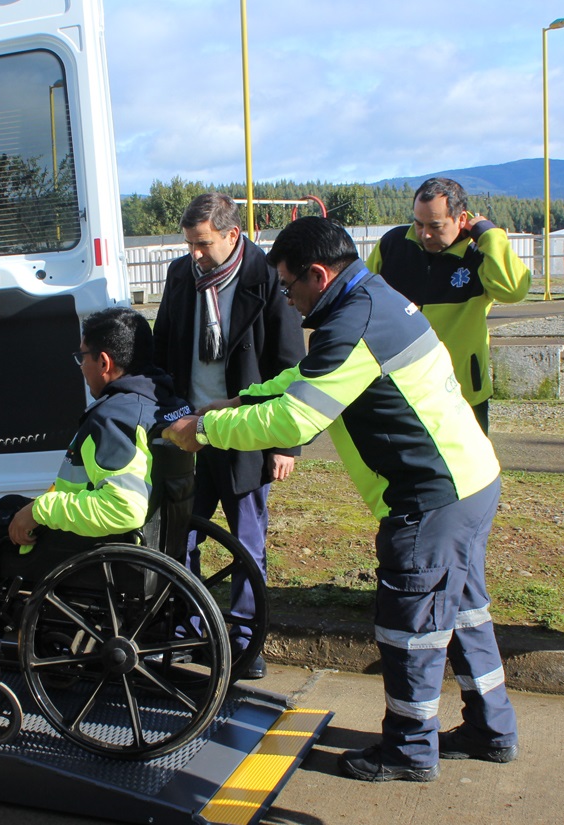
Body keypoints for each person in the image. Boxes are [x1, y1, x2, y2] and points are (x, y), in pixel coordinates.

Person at [165, 216, 518, 782]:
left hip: (429, 500)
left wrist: (205, 431)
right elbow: (306, 378)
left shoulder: (355, 322)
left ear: (319, 275)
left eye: (288, 285)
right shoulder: (370, 300)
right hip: (469, 482)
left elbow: (298, 418)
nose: (286, 298)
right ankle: (491, 727)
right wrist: (234, 402)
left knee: (411, 630)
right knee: (464, 613)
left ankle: (408, 751)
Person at [0, 307, 191, 681]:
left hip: (93, 550)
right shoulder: (167, 403)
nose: (81, 367)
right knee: (7, 506)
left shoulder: (114, 417)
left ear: (104, 362)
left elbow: (123, 508)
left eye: (82, 357)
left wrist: (40, 511)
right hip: (148, 545)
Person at [153, 192, 305, 680]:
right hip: (188, 431)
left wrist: (286, 444)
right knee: (181, 535)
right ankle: (187, 628)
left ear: (232, 235)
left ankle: (245, 641)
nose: (194, 255)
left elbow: (289, 362)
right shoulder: (181, 275)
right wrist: (171, 415)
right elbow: (162, 350)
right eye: (189, 245)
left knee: (247, 542)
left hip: (246, 432)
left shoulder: (267, 277)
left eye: (203, 244)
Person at [366, 177, 530, 433]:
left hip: (462, 393)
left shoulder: (480, 254)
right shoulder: (392, 245)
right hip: (402, 390)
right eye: (418, 223)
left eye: (435, 225)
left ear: (461, 219)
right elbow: (363, 301)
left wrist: (489, 234)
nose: (425, 234)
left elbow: (513, 290)